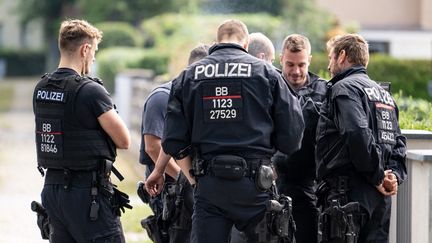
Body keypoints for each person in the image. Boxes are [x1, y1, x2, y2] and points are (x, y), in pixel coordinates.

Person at [159, 19, 304, 243]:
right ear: (246, 44)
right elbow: (293, 135)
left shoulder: (188, 76)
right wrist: (271, 161)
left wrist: (195, 180)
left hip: (209, 185)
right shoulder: (266, 73)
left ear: (216, 42)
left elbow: (172, 141)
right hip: (256, 186)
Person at [32, 19, 131, 242]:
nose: (94, 58)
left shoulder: (41, 88)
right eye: (94, 51)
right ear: (85, 49)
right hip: (87, 193)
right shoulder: (90, 91)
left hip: (52, 191)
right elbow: (124, 140)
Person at [315, 33, 407, 242]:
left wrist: (377, 177)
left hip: (348, 196)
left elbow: (356, 132)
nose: (329, 66)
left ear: (342, 56)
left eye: (331, 58)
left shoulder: (344, 88)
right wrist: (393, 177)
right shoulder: (384, 94)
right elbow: (398, 142)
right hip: (380, 201)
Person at [139, 44, 210, 243]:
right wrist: (185, 180)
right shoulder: (162, 97)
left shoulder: (200, 97)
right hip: (173, 190)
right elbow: (153, 146)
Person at [272, 34, 327, 243]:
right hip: (272, 180)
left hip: (307, 182)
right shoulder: (269, 86)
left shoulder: (323, 90)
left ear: (310, 60)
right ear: (280, 59)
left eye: (301, 65)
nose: (296, 71)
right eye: (290, 64)